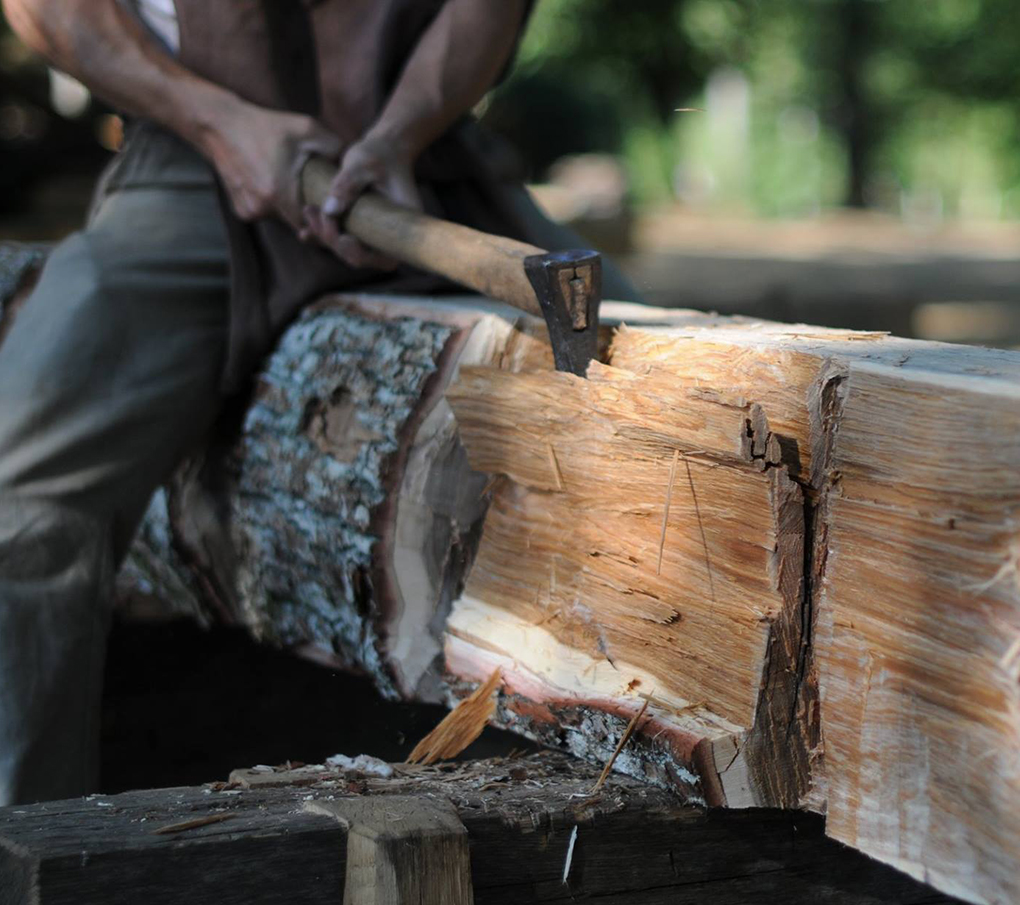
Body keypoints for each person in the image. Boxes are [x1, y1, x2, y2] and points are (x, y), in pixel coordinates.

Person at [0, 0, 635, 805]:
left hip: (423, 168)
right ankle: (24, 882)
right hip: (187, 159)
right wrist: (220, 121)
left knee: (663, 400)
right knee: (17, 495)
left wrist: (400, 133)